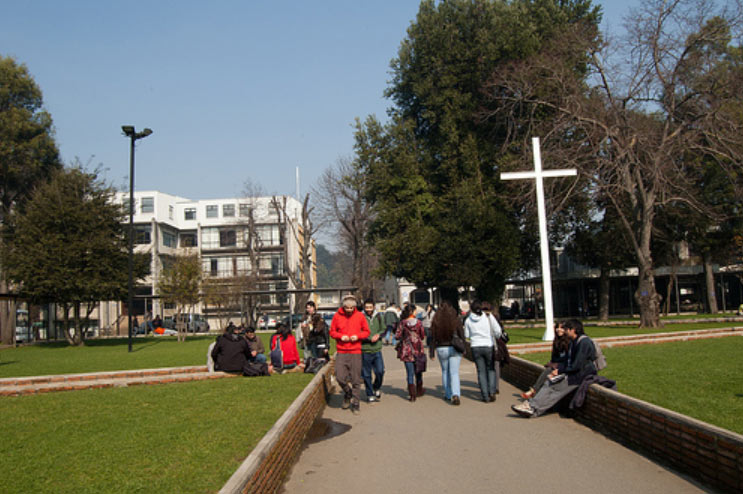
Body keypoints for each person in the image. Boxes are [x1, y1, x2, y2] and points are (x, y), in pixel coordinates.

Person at [512, 319, 597, 417]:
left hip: (580, 376)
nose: (565, 332)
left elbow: (577, 365)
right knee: (549, 383)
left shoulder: (584, 343)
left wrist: (560, 371)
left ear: (573, 330)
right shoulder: (574, 341)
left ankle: (533, 407)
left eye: (566, 329)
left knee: (555, 387)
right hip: (573, 373)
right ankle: (533, 407)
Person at [330, 294, 370, 415]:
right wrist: (340, 336)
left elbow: (366, 332)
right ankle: (348, 392)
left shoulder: (360, 316)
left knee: (355, 378)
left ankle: (356, 402)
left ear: (354, 307)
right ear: (343, 306)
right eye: (347, 308)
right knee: (340, 377)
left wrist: (357, 336)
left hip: (355, 350)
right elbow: (332, 332)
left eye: (351, 308)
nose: (349, 310)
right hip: (342, 350)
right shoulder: (337, 316)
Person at [520, 322, 570, 399]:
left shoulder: (569, 342)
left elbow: (568, 357)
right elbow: (554, 356)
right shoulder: (556, 341)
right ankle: (535, 391)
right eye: (557, 327)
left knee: (549, 371)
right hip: (556, 364)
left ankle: (534, 391)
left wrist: (556, 363)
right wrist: (553, 362)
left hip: (564, 365)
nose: (559, 330)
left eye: (561, 328)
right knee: (548, 370)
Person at [429, 301, 465, 405]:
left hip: (441, 348)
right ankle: (456, 394)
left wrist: (432, 352)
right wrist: (464, 348)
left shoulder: (436, 321)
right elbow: (461, 334)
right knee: (454, 373)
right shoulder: (455, 320)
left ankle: (448, 394)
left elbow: (432, 338)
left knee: (445, 371)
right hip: (454, 347)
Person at [465, 300, 501, 403]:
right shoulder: (488, 317)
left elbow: (467, 335)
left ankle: (485, 395)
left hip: (475, 346)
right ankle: (492, 392)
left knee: (481, 371)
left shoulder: (468, 320)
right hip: (488, 345)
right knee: (490, 369)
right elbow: (497, 330)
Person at [395, 304, 427, 402]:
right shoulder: (419, 323)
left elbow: (397, 335)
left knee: (409, 373)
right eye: (415, 311)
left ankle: (412, 395)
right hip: (418, 349)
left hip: (406, 350)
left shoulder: (402, 323)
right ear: (412, 312)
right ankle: (419, 389)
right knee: (419, 370)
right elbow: (422, 335)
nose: (416, 312)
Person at [361, 299, 386, 403]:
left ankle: (376, 387)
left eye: (370, 307)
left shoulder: (379, 316)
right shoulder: (360, 317)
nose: (368, 310)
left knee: (380, 371)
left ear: (374, 307)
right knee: (366, 374)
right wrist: (368, 338)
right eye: (366, 308)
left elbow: (384, 329)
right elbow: (358, 332)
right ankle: (369, 393)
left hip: (377, 349)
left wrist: (379, 335)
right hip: (365, 350)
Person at [482, 301, 505, 394]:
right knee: (495, 366)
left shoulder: (480, 318)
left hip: (483, 344)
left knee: (485, 367)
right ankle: (495, 386)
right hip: (494, 344)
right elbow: (499, 331)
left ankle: (488, 386)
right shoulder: (494, 317)